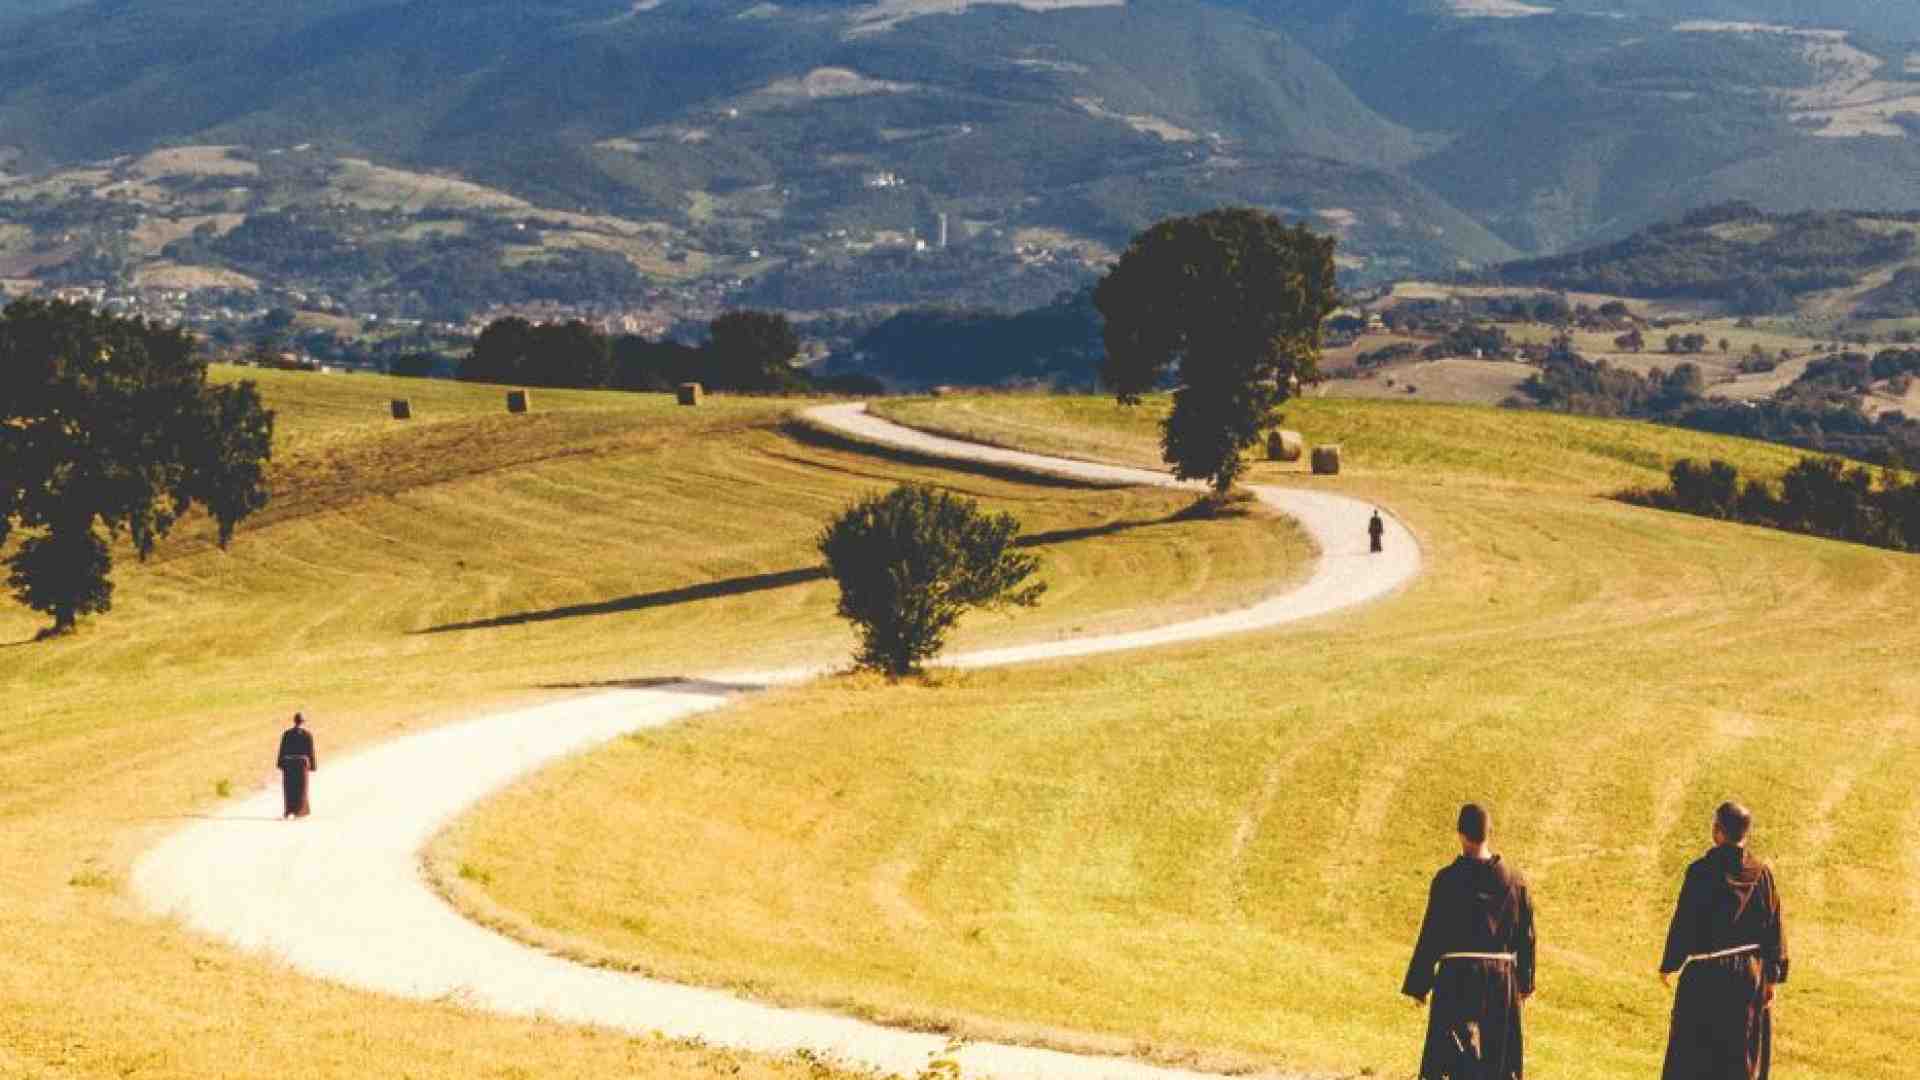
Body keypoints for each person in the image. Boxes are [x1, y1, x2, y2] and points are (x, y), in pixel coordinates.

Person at [1403, 803, 1535, 1079]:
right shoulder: (1516, 882)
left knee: (1455, 1059)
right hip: (1501, 983)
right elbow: (1527, 936)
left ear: (1461, 835)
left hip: (1457, 980)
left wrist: (1419, 984)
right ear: (1489, 833)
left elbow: (1432, 934)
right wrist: (1525, 982)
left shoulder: (1447, 880)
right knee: (1496, 1064)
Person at [1658, 801, 1788, 1080]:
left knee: (1694, 1054)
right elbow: (1774, 927)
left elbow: (1685, 922)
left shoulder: (1701, 872)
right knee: (1738, 1057)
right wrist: (1773, 976)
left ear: (1717, 831)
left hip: (1706, 976)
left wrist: (1670, 963)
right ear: (1746, 833)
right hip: (1749, 978)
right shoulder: (1763, 874)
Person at [276, 712, 317, 819]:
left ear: (294, 721)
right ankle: (300, 810)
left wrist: (280, 763)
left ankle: (289, 810)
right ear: (303, 722)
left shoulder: (287, 734)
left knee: (289, 788)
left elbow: (282, 749)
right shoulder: (307, 734)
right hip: (301, 765)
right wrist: (313, 766)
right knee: (301, 788)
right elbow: (310, 751)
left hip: (289, 764)